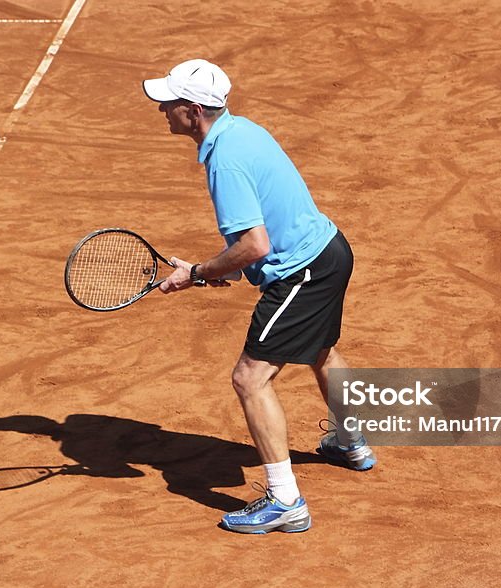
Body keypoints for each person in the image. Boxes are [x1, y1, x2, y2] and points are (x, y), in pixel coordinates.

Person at [142, 59, 376, 534]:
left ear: (191, 111)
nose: (162, 109)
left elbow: (254, 244)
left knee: (250, 379)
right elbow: (257, 244)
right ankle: (350, 440)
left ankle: (285, 500)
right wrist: (227, 269)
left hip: (302, 273)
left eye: (168, 103)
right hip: (331, 251)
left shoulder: (224, 161)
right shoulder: (241, 129)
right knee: (320, 349)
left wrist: (199, 274)